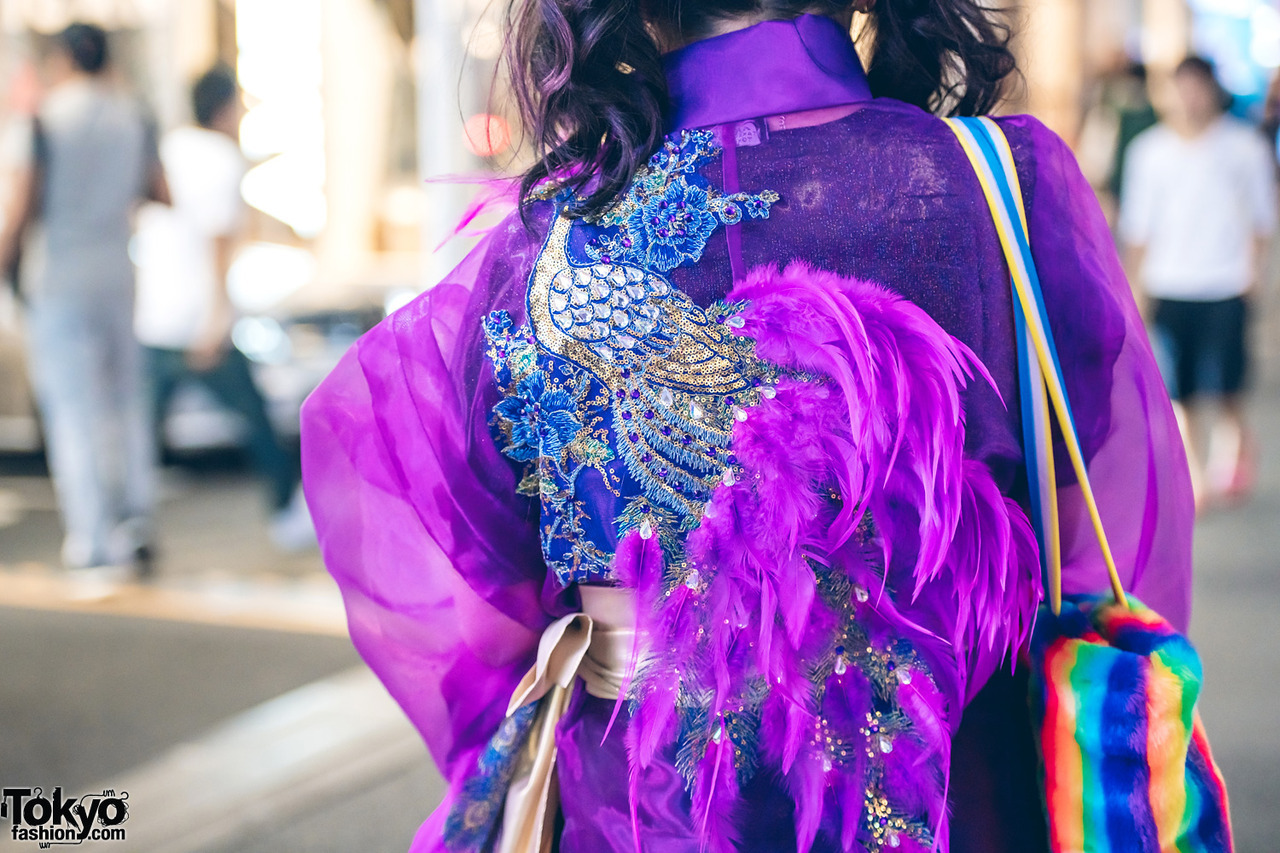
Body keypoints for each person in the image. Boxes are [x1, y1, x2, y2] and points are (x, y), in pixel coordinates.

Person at [302, 3, 1194, 852]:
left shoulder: (548, 246)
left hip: (657, 803)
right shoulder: (996, 187)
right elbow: (1076, 529)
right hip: (948, 785)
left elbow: (455, 561)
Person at [0, 23, 168, 581]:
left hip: (62, 276)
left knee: (73, 410)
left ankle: (92, 538)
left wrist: (5, 264)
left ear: (65, 57)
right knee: (125, 404)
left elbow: (25, 203)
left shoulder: (45, 119)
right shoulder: (133, 115)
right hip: (119, 273)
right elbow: (160, 191)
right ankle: (135, 520)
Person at [132, 66, 312, 551]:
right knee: (255, 420)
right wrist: (216, 315)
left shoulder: (170, 147)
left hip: (154, 315)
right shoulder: (220, 158)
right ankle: (287, 515)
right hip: (196, 317)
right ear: (225, 109)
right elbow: (218, 241)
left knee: (142, 432)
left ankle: (130, 521)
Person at [1121, 56, 1277, 506]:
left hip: (1225, 281)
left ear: (1212, 90)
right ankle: (1194, 470)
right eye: (1181, 88)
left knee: (1225, 382)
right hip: (1170, 282)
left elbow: (1262, 218)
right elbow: (1137, 228)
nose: (1190, 98)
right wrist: (1135, 288)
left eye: (1198, 87)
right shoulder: (1149, 151)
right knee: (1179, 387)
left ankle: (1234, 447)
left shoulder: (1244, 146)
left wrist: (1255, 272)